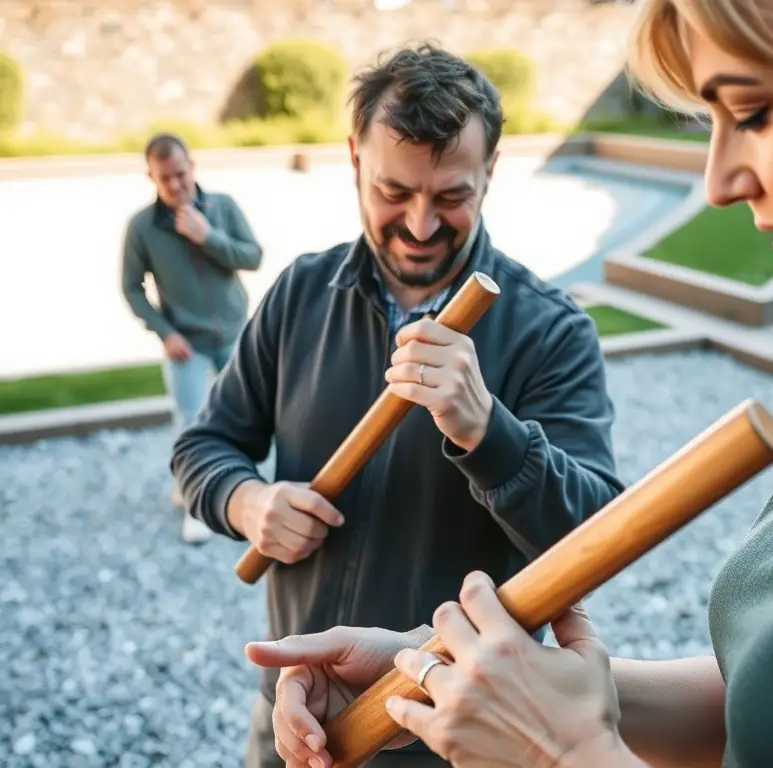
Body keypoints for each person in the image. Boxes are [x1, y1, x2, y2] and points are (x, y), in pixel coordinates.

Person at [243, 1, 773, 767]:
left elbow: (588, 530)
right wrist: (441, 669)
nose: (717, 182)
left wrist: (563, 751)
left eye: (751, 114)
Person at [169, 43, 623, 768]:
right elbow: (201, 448)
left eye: (451, 196)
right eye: (394, 191)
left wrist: (488, 432)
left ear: (491, 171)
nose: (419, 224)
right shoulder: (301, 293)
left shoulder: (551, 330)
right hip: (295, 712)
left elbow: (596, 538)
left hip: (459, 733)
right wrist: (244, 501)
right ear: (354, 159)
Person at [122, 133, 264, 544]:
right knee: (191, 423)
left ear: (192, 167)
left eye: (180, 174)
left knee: (246, 414)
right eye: (165, 178)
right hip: (186, 343)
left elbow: (253, 256)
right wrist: (165, 333)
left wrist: (208, 237)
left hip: (235, 334)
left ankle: (245, 494)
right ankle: (194, 502)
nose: (175, 185)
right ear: (151, 177)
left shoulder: (223, 207)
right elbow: (131, 287)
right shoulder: (143, 227)